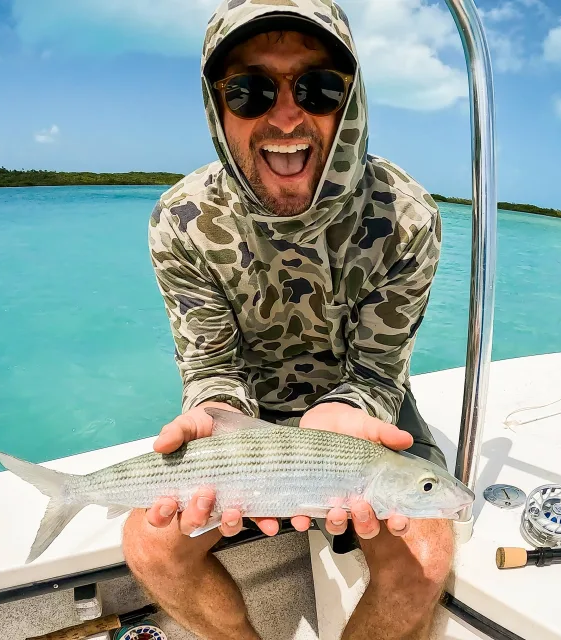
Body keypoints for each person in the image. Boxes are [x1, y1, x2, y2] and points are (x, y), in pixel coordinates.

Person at [122, 0, 454, 638]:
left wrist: (344, 419)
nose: (285, 113)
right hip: (246, 415)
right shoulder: (182, 219)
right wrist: (217, 416)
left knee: (426, 553)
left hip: (358, 413)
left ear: (349, 100)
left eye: (318, 86)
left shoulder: (406, 216)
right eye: (248, 90)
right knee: (151, 547)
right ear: (218, 107)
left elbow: (379, 370)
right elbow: (211, 365)